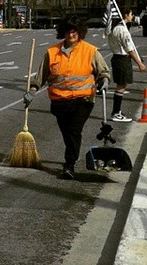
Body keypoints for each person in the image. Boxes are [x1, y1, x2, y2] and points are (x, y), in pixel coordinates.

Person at [24, 17, 110, 180]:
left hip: (82, 100)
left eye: (74, 31)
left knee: (73, 130)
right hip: (59, 102)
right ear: (63, 33)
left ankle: (69, 165)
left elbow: (103, 71)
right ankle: (71, 156)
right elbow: (41, 76)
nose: (71, 35)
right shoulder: (52, 52)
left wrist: (104, 81)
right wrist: (32, 91)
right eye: (68, 31)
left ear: (80, 32)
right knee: (67, 133)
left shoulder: (90, 51)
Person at [107, 8, 146, 122]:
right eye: (131, 14)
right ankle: (116, 113)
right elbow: (129, 49)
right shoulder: (122, 30)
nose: (132, 16)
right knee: (121, 85)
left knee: (121, 85)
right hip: (122, 59)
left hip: (117, 57)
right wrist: (139, 63)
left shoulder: (116, 28)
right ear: (125, 15)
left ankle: (117, 111)